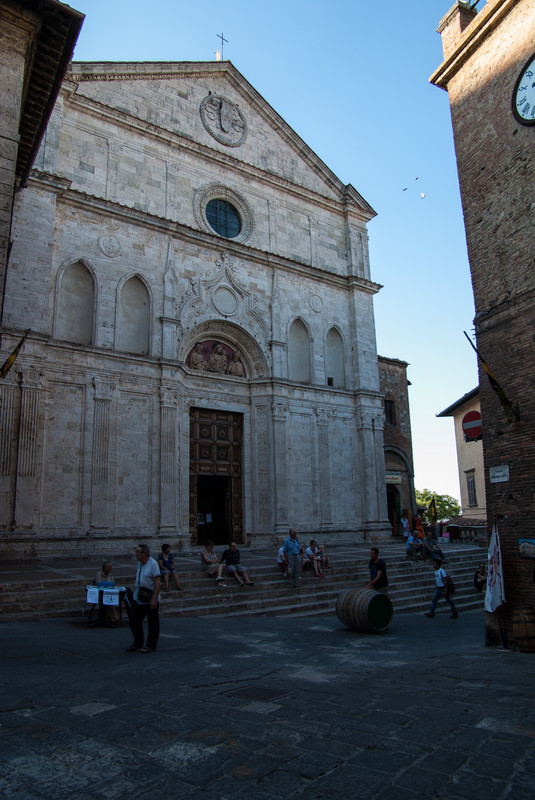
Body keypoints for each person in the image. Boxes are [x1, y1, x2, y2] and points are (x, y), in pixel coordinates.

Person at [126, 543, 161, 653]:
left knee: (153, 623)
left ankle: (150, 645)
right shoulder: (139, 564)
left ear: (144, 554)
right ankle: (138, 642)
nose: (136, 554)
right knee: (133, 619)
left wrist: (154, 600)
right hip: (139, 597)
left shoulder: (153, 564)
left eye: (137, 552)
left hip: (150, 599)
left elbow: (158, 583)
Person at [93, 560, 118, 625]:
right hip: (101, 593)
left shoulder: (110, 575)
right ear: (105, 568)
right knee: (108, 600)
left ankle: (111, 618)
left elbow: (113, 583)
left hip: (109, 592)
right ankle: (113, 618)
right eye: (110, 567)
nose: (111, 568)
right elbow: (98, 583)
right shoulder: (98, 574)